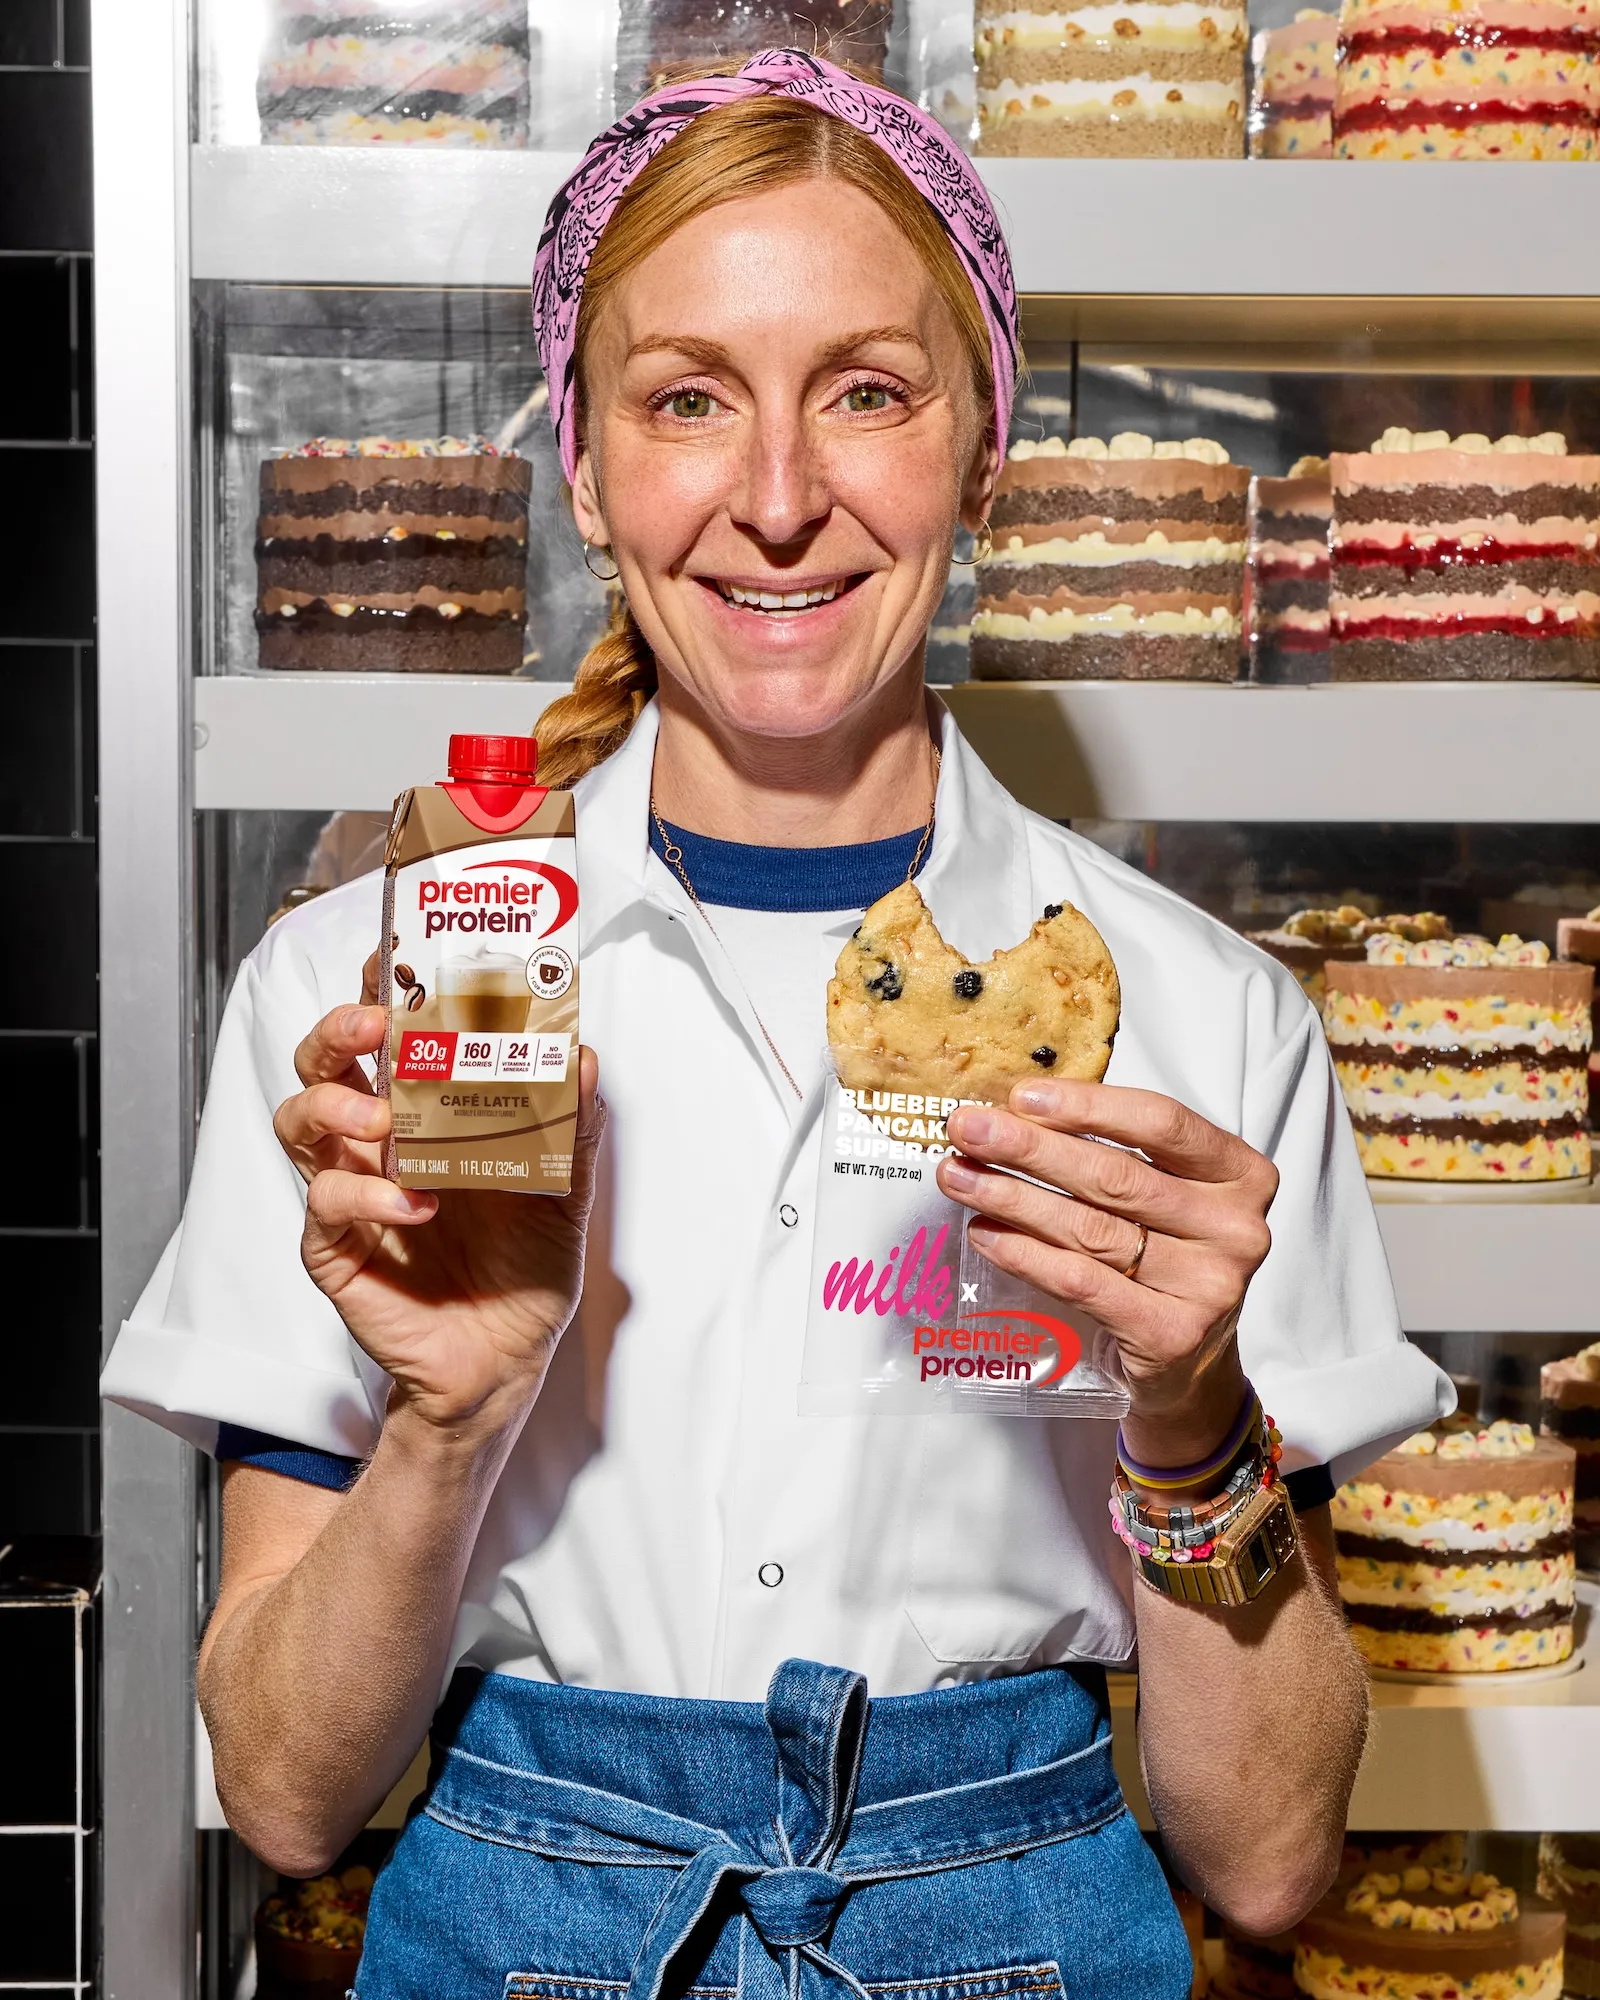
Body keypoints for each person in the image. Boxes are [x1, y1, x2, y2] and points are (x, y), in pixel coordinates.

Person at [104, 50, 1449, 2000]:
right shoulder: (369, 1003)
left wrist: (1186, 1418)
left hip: (1024, 1933)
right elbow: (292, 1793)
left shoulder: (1194, 1028)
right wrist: (450, 1414)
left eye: (867, 394)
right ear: (583, 463)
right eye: (685, 401)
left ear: (981, 446)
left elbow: (1261, 1855)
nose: (779, 498)